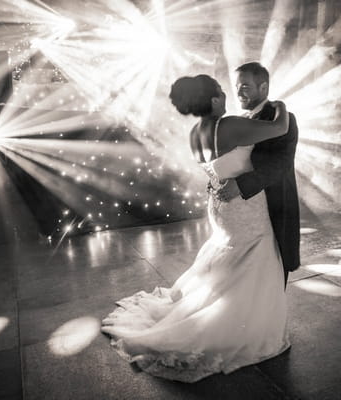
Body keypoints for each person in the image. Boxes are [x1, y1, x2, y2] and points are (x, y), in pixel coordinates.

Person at [101, 74, 291, 382]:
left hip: (218, 206)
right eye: (221, 92)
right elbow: (279, 127)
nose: (227, 95)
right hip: (243, 208)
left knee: (228, 260)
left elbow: (217, 169)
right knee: (254, 261)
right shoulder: (227, 125)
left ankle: (224, 316)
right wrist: (281, 106)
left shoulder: (195, 132)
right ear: (215, 99)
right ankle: (236, 329)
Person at [213, 62, 300, 286]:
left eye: (245, 86)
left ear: (263, 87)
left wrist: (241, 185)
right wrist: (218, 178)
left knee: (273, 270)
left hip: (275, 204)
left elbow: (280, 164)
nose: (239, 91)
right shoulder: (242, 118)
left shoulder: (284, 118)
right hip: (246, 213)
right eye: (236, 86)